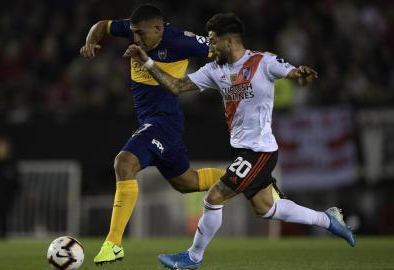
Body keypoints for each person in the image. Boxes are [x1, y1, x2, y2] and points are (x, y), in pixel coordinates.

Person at [124, 12, 356, 269]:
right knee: (266, 209)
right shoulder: (215, 70)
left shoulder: (263, 62)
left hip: (260, 151)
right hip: (241, 150)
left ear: (229, 41)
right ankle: (328, 219)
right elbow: (176, 86)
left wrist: (301, 75)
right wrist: (147, 63)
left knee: (214, 198)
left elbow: (292, 73)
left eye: (213, 42)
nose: (210, 48)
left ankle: (193, 257)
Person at [80, 4, 225, 265]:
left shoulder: (179, 41)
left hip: (163, 123)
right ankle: (248, 179)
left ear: (159, 28)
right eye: (133, 33)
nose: (136, 39)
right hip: (155, 122)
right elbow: (102, 26)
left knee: (124, 162)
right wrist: (91, 40)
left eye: (141, 34)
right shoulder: (135, 28)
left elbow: (224, 49)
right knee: (187, 183)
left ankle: (113, 243)